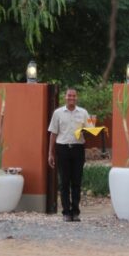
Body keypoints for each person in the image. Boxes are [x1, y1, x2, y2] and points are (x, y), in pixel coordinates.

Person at [48, 88, 90, 222]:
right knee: (64, 182)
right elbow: (53, 133)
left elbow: (90, 130)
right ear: (65, 97)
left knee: (76, 182)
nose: (71, 97)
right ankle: (66, 212)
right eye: (69, 95)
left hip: (78, 148)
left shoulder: (83, 113)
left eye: (74, 96)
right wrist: (51, 153)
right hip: (63, 149)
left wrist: (92, 130)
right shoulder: (58, 113)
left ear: (76, 97)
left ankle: (75, 212)